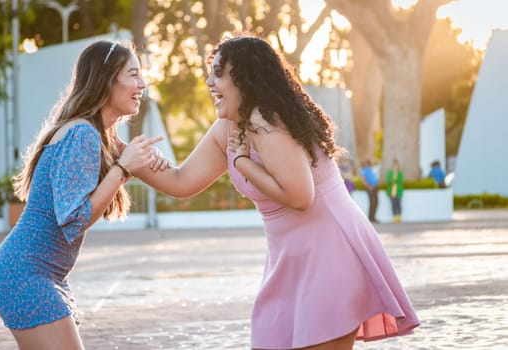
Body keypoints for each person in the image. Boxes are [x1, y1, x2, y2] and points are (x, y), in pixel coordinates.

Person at [137, 34, 419, 350]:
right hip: (290, 262)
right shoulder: (231, 126)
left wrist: (243, 163)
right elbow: (181, 182)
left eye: (219, 73)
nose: (209, 81)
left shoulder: (264, 120)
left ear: (245, 77)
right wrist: (121, 158)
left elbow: (300, 196)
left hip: (329, 253)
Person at [0, 39, 166, 350]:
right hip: (25, 274)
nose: (142, 83)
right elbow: (74, 220)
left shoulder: (100, 136)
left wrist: (145, 160)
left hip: (35, 274)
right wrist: (122, 169)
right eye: (133, 74)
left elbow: (174, 179)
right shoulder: (82, 133)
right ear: (107, 79)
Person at [386, 158, 404, 223]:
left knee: (398, 204)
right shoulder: (390, 173)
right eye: (394, 165)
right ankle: (394, 217)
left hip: (398, 191)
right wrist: (394, 181)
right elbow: (388, 181)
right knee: (393, 204)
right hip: (391, 191)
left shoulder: (400, 173)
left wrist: (394, 181)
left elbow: (400, 181)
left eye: (396, 165)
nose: (395, 166)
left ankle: (399, 216)